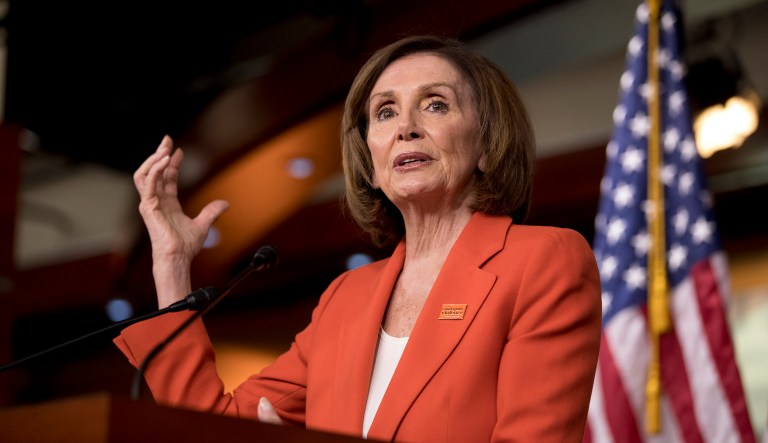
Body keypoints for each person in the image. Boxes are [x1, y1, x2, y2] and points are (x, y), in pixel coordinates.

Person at [114, 34, 602, 442]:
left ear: (487, 145)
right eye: (385, 112)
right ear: (369, 161)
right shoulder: (346, 299)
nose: (406, 128)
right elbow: (213, 430)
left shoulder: (543, 261)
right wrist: (173, 266)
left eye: (436, 105)